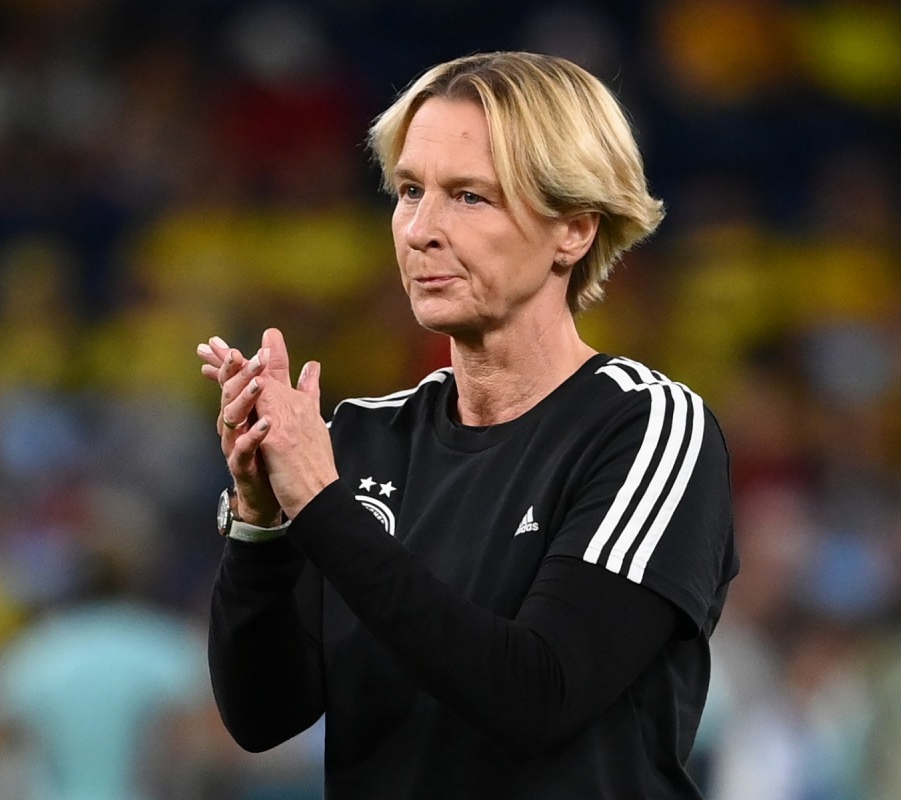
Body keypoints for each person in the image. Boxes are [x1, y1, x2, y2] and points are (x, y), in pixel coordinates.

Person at [197, 51, 738, 799]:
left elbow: (538, 696)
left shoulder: (646, 427)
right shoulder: (363, 437)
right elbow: (264, 716)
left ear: (574, 229)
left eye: (470, 197)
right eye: (409, 191)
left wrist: (321, 507)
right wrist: (260, 525)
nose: (419, 231)